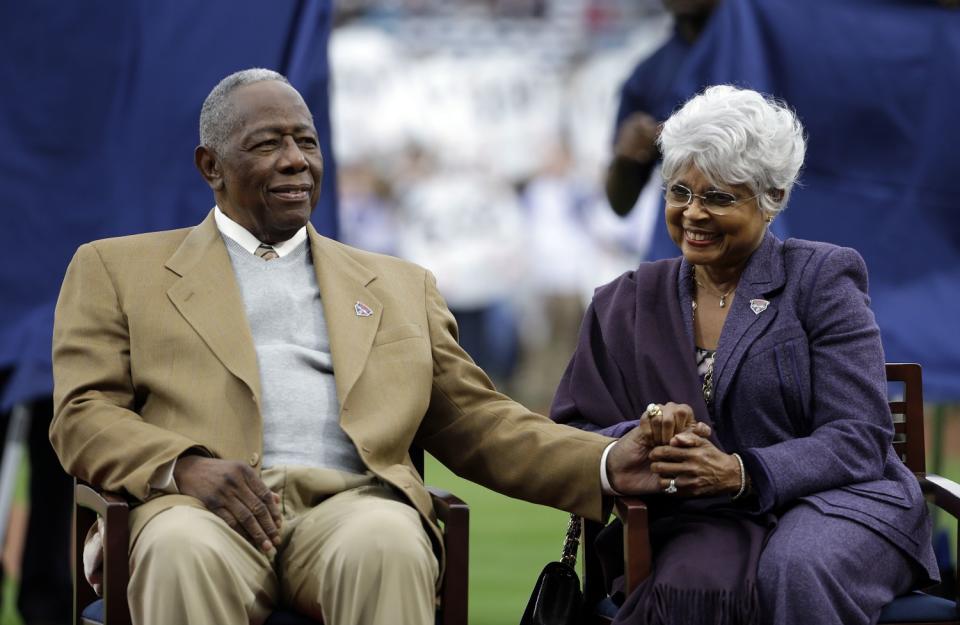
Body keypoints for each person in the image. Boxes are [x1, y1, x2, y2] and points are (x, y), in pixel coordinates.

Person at [49, 68, 663, 625]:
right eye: (268, 145)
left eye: (307, 143)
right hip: (196, 512)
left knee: (389, 542)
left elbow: (479, 422)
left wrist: (604, 461)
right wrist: (183, 467)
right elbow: (82, 416)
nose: (296, 161)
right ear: (211, 166)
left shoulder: (400, 285)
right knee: (180, 550)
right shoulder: (116, 269)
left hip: (353, 507)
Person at [552, 85, 938, 624]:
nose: (693, 213)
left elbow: (859, 436)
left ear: (772, 197)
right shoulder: (626, 301)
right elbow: (574, 432)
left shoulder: (821, 279)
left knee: (795, 566)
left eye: (718, 197)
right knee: (689, 586)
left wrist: (739, 471)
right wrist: (644, 438)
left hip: (838, 503)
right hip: (692, 518)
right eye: (679, 192)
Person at [605, 0, 718, 217]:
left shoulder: (766, 49)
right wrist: (627, 157)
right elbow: (620, 204)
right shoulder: (649, 75)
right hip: (688, 231)